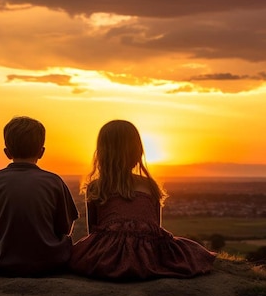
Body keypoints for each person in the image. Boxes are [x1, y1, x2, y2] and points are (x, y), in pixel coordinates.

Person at [70, 120, 216, 280]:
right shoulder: (149, 185)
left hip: (107, 258)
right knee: (192, 251)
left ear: (102, 153)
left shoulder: (96, 187)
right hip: (148, 257)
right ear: (136, 152)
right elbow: (156, 230)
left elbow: (93, 232)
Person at [0, 116, 79, 276]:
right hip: (49, 263)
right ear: (41, 152)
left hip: (0, 262)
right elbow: (64, 228)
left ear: (7, 152)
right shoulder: (54, 181)